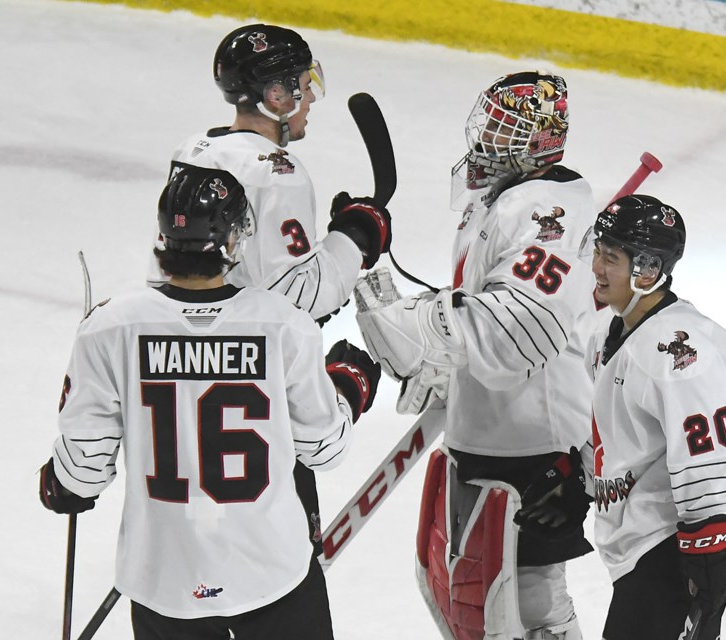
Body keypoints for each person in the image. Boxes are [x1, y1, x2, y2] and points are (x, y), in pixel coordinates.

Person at [38, 165, 381, 640]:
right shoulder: (284, 326)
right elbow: (324, 449)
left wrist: (61, 483)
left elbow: (81, 471)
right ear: (236, 239)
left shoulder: (111, 327)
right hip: (272, 576)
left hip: (165, 582)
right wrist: (348, 387)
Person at [354, 71, 608, 640]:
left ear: (538, 140)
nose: (488, 137)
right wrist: (445, 358)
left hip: (536, 442)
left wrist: (423, 328)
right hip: (481, 430)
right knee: (468, 594)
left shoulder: (551, 215)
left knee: (534, 595)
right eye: (489, 123)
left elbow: (523, 328)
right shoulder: (498, 198)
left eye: (503, 128)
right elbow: (477, 303)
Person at [146, 23, 394, 556]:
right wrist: (356, 236)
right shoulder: (275, 169)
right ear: (275, 95)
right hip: (253, 400)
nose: (309, 98)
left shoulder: (194, 149)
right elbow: (301, 297)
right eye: (302, 85)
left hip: (182, 386)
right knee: (284, 574)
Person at [527, 194, 726, 639]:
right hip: (639, 554)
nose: (595, 267)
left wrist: (714, 539)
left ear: (648, 270)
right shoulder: (612, 335)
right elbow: (623, 436)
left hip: (672, 553)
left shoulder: (680, 351)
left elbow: (708, 458)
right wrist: (581, 482)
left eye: (611, 257)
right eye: (597, 251)